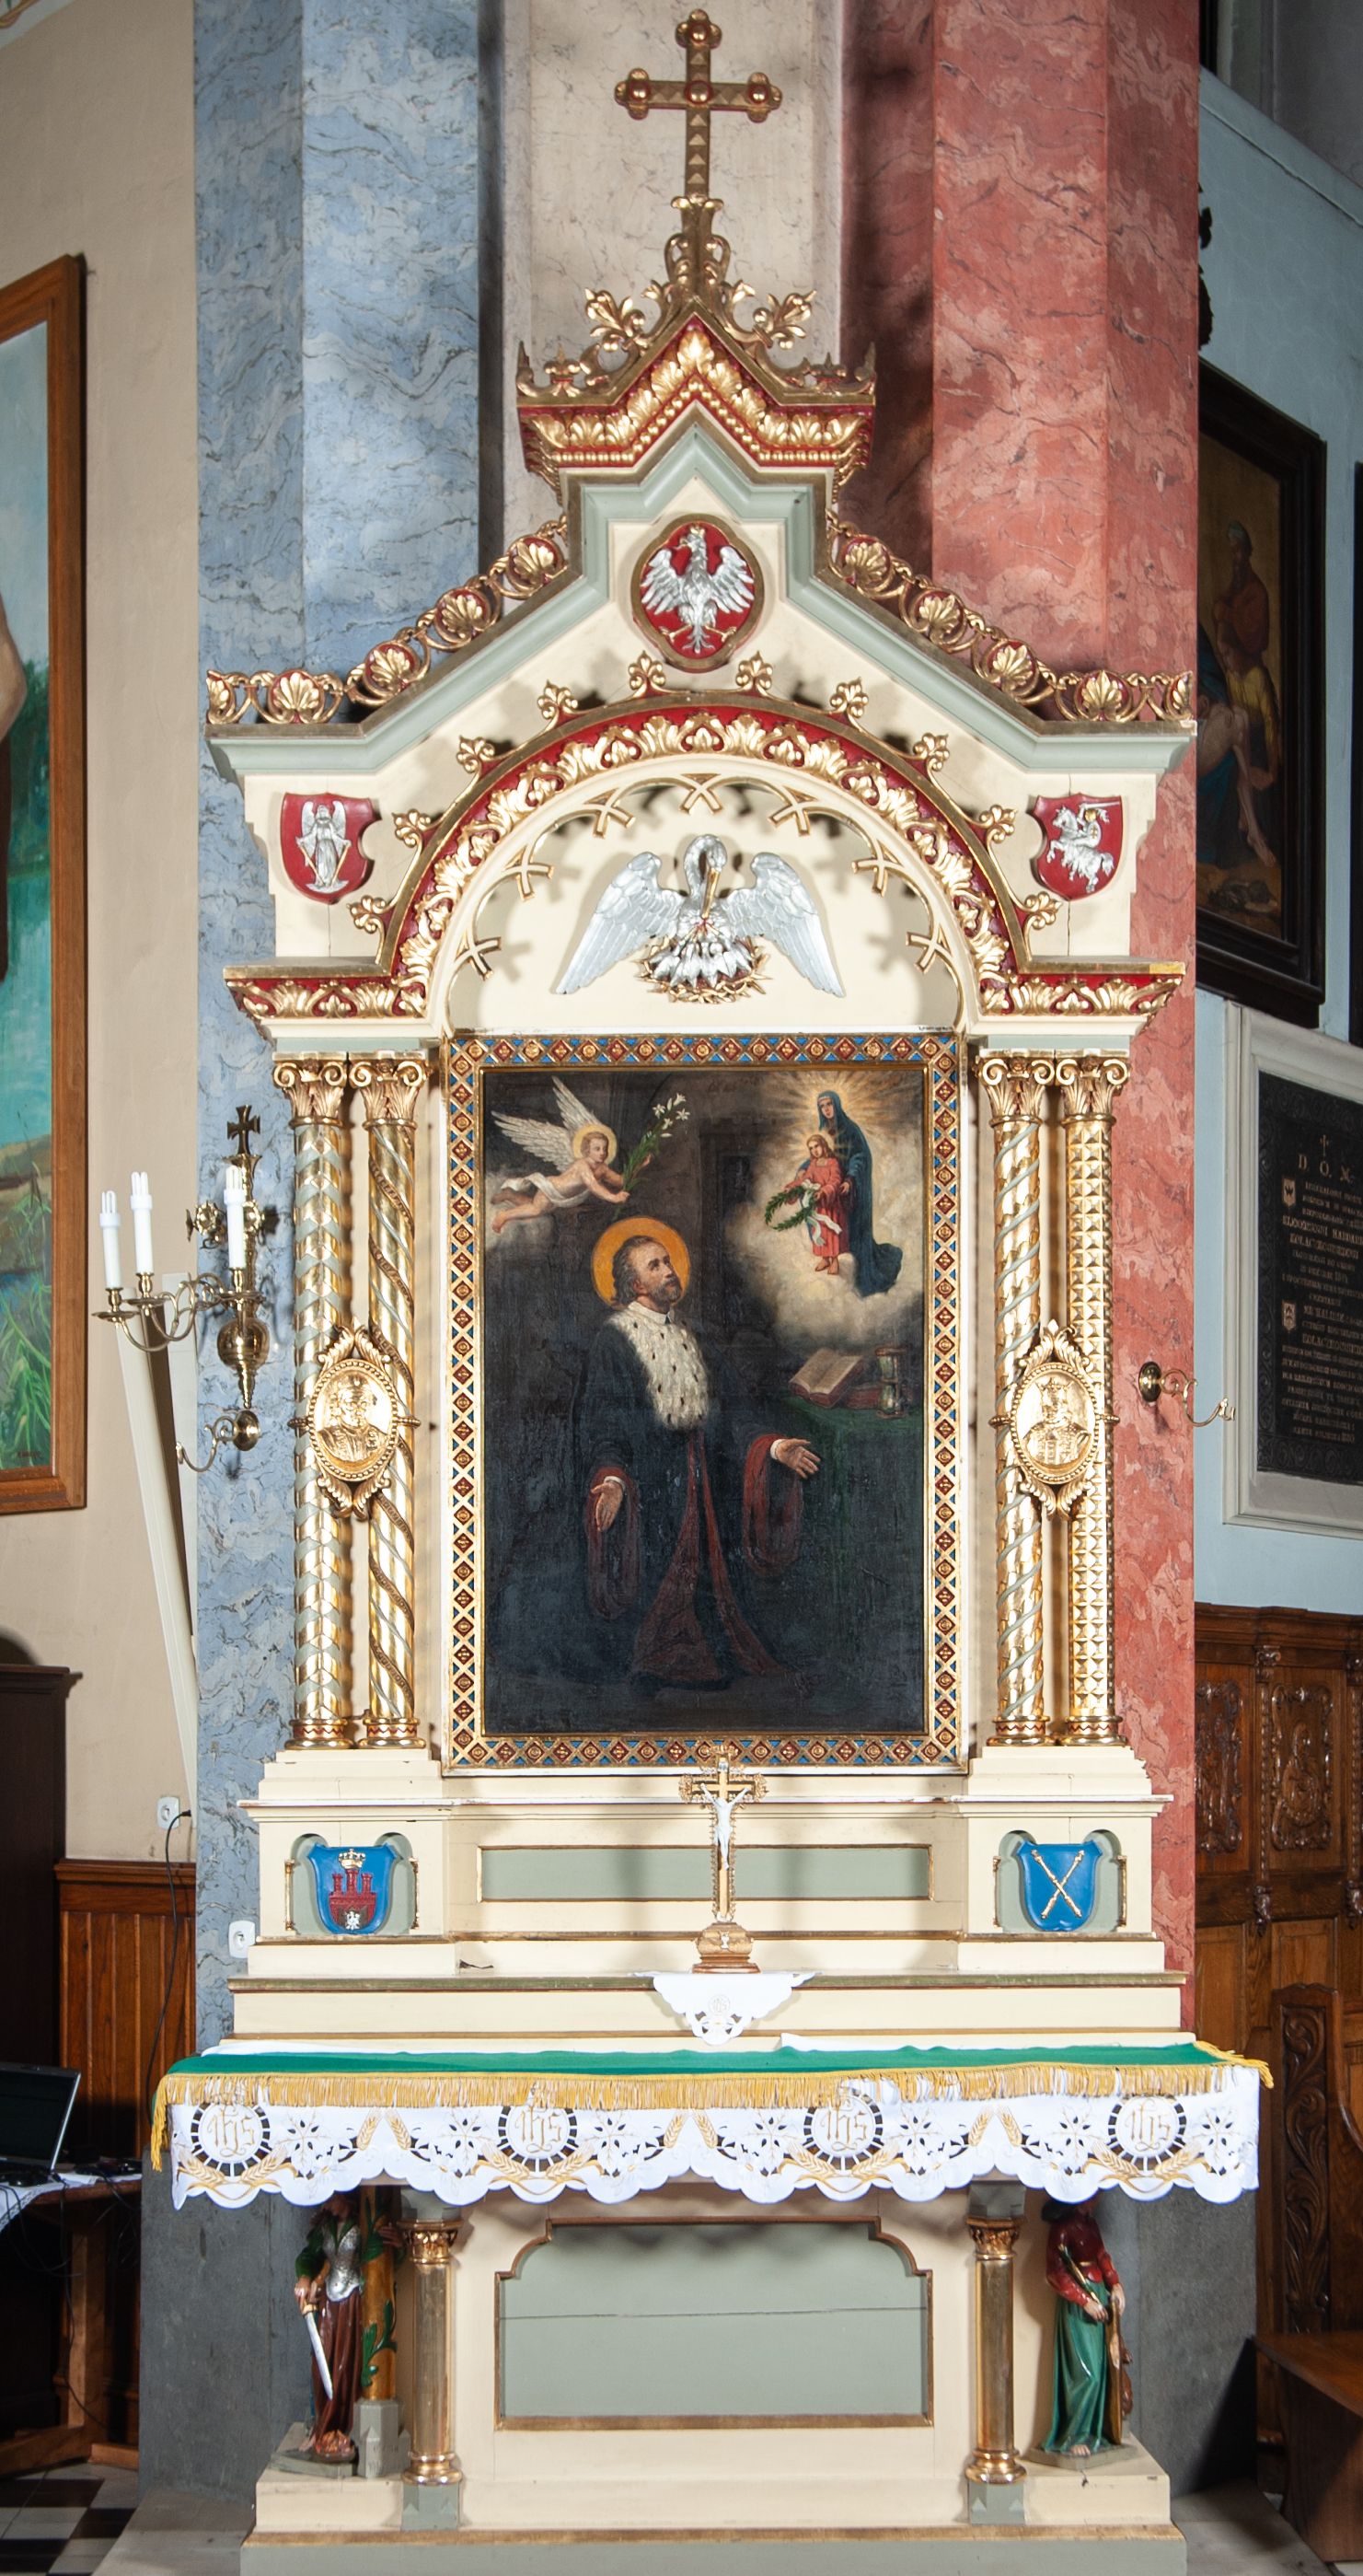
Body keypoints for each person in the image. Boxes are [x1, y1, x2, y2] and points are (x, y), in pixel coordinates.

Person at [582, 1227, 818, 1691]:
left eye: (669, 1261)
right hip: (650, 1481)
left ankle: (711, 1653)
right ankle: (653, 1661)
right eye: (655, 1266)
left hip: (708, 1476)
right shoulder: (613, 1340)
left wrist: (774, 1447)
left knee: (714, 1586)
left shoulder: (694, 1335)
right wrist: (612, 1480)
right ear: (635, 1284)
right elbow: (605, 1423)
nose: (669, 1271)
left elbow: (734, 1410)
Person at [1041, 2196, 1129, 2458]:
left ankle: (1094, 2431)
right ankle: (1073, 2435)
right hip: (1079, 2305)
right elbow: (1056, 2272)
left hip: (1099, 2295)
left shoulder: (1090, 2224)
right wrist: (1084, 2301)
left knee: (1103, 2369)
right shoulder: (1063, 2228)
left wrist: (1115, 2284)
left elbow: (1102, 2255)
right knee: (1085, 2373)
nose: (1098, 2197)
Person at [294, 2193, 366, 2461]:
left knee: (345, 2364)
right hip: (328, 2303)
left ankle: (343, 2427)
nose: (325, 2204)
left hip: (352, 2300)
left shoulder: (361, 2224)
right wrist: (305, 2277)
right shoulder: (325, 2227)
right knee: (321, 2361)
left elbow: (378, 2256)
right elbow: (310, 2256)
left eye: (330, 2198)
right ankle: (322, 2424)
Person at [814, 1091, 902, 1298]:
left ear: (836, 1105)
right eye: (822, 1106)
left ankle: (864, 1280)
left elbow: (860, 1156)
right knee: (836, 1229)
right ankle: (837, 1265)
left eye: (829, 1104)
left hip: (851, 1189)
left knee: (856, 1231)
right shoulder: (824, 1131)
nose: (826, 1109)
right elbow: (819, 1156)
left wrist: (850, 1179)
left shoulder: (849, 1129)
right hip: (834, 1188)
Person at [492, 1124, 630, 1235]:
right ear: (587, 1150)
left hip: (560, 1197)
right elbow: (593, 1185)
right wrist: (614, 1198)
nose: (602, 1153)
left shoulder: (603, 1169)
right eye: (597, 1149)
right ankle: (503, 1215)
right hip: (551, 1188)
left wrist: (637, 1167)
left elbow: (621, 1181)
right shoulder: (582, 1165)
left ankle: (509, 1195)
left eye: (605, 1149)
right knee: (535, 1209)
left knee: (533, 1206)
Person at [793, 1131, 849, 1274]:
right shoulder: (813, 1164)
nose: (814, 1150)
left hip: (831, 1204)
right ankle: (825, 1258)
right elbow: (807, 1178)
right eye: (811, 1148)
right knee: (820, 1231)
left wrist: (823, 1192)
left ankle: (834, 1260)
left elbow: (835, 1181)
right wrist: (796, 1182)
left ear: (823, 1145)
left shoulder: (833, 1162)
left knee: (831, 1231)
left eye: (816, 1146)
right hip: (817, 1205)